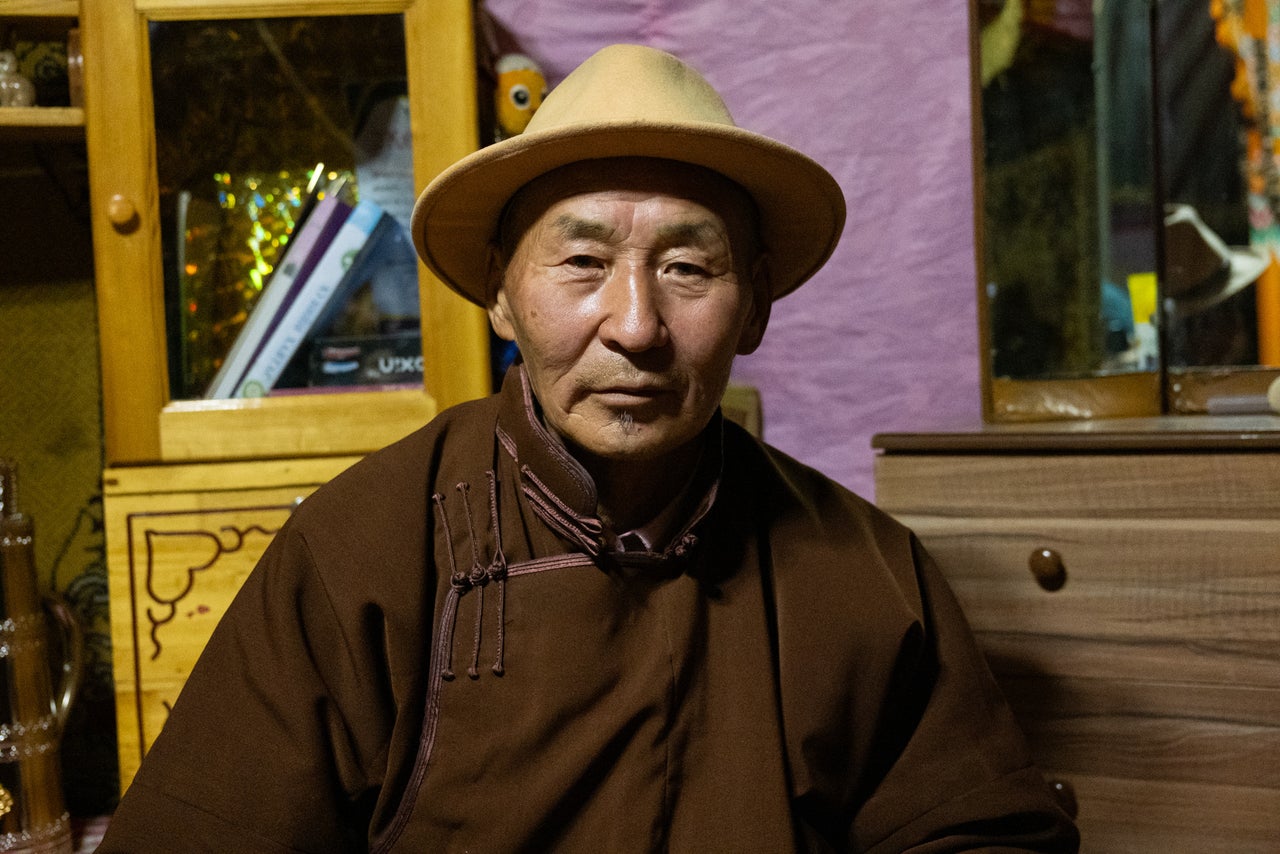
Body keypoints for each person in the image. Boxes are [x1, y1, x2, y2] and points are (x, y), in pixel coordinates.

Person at [98, 44, 1079, 853]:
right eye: (582, 261)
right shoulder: (360, 553)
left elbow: (981, 832)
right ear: (500, 292)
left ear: (756, 306)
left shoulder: (864, 574)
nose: (636, 324)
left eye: (689, 266)